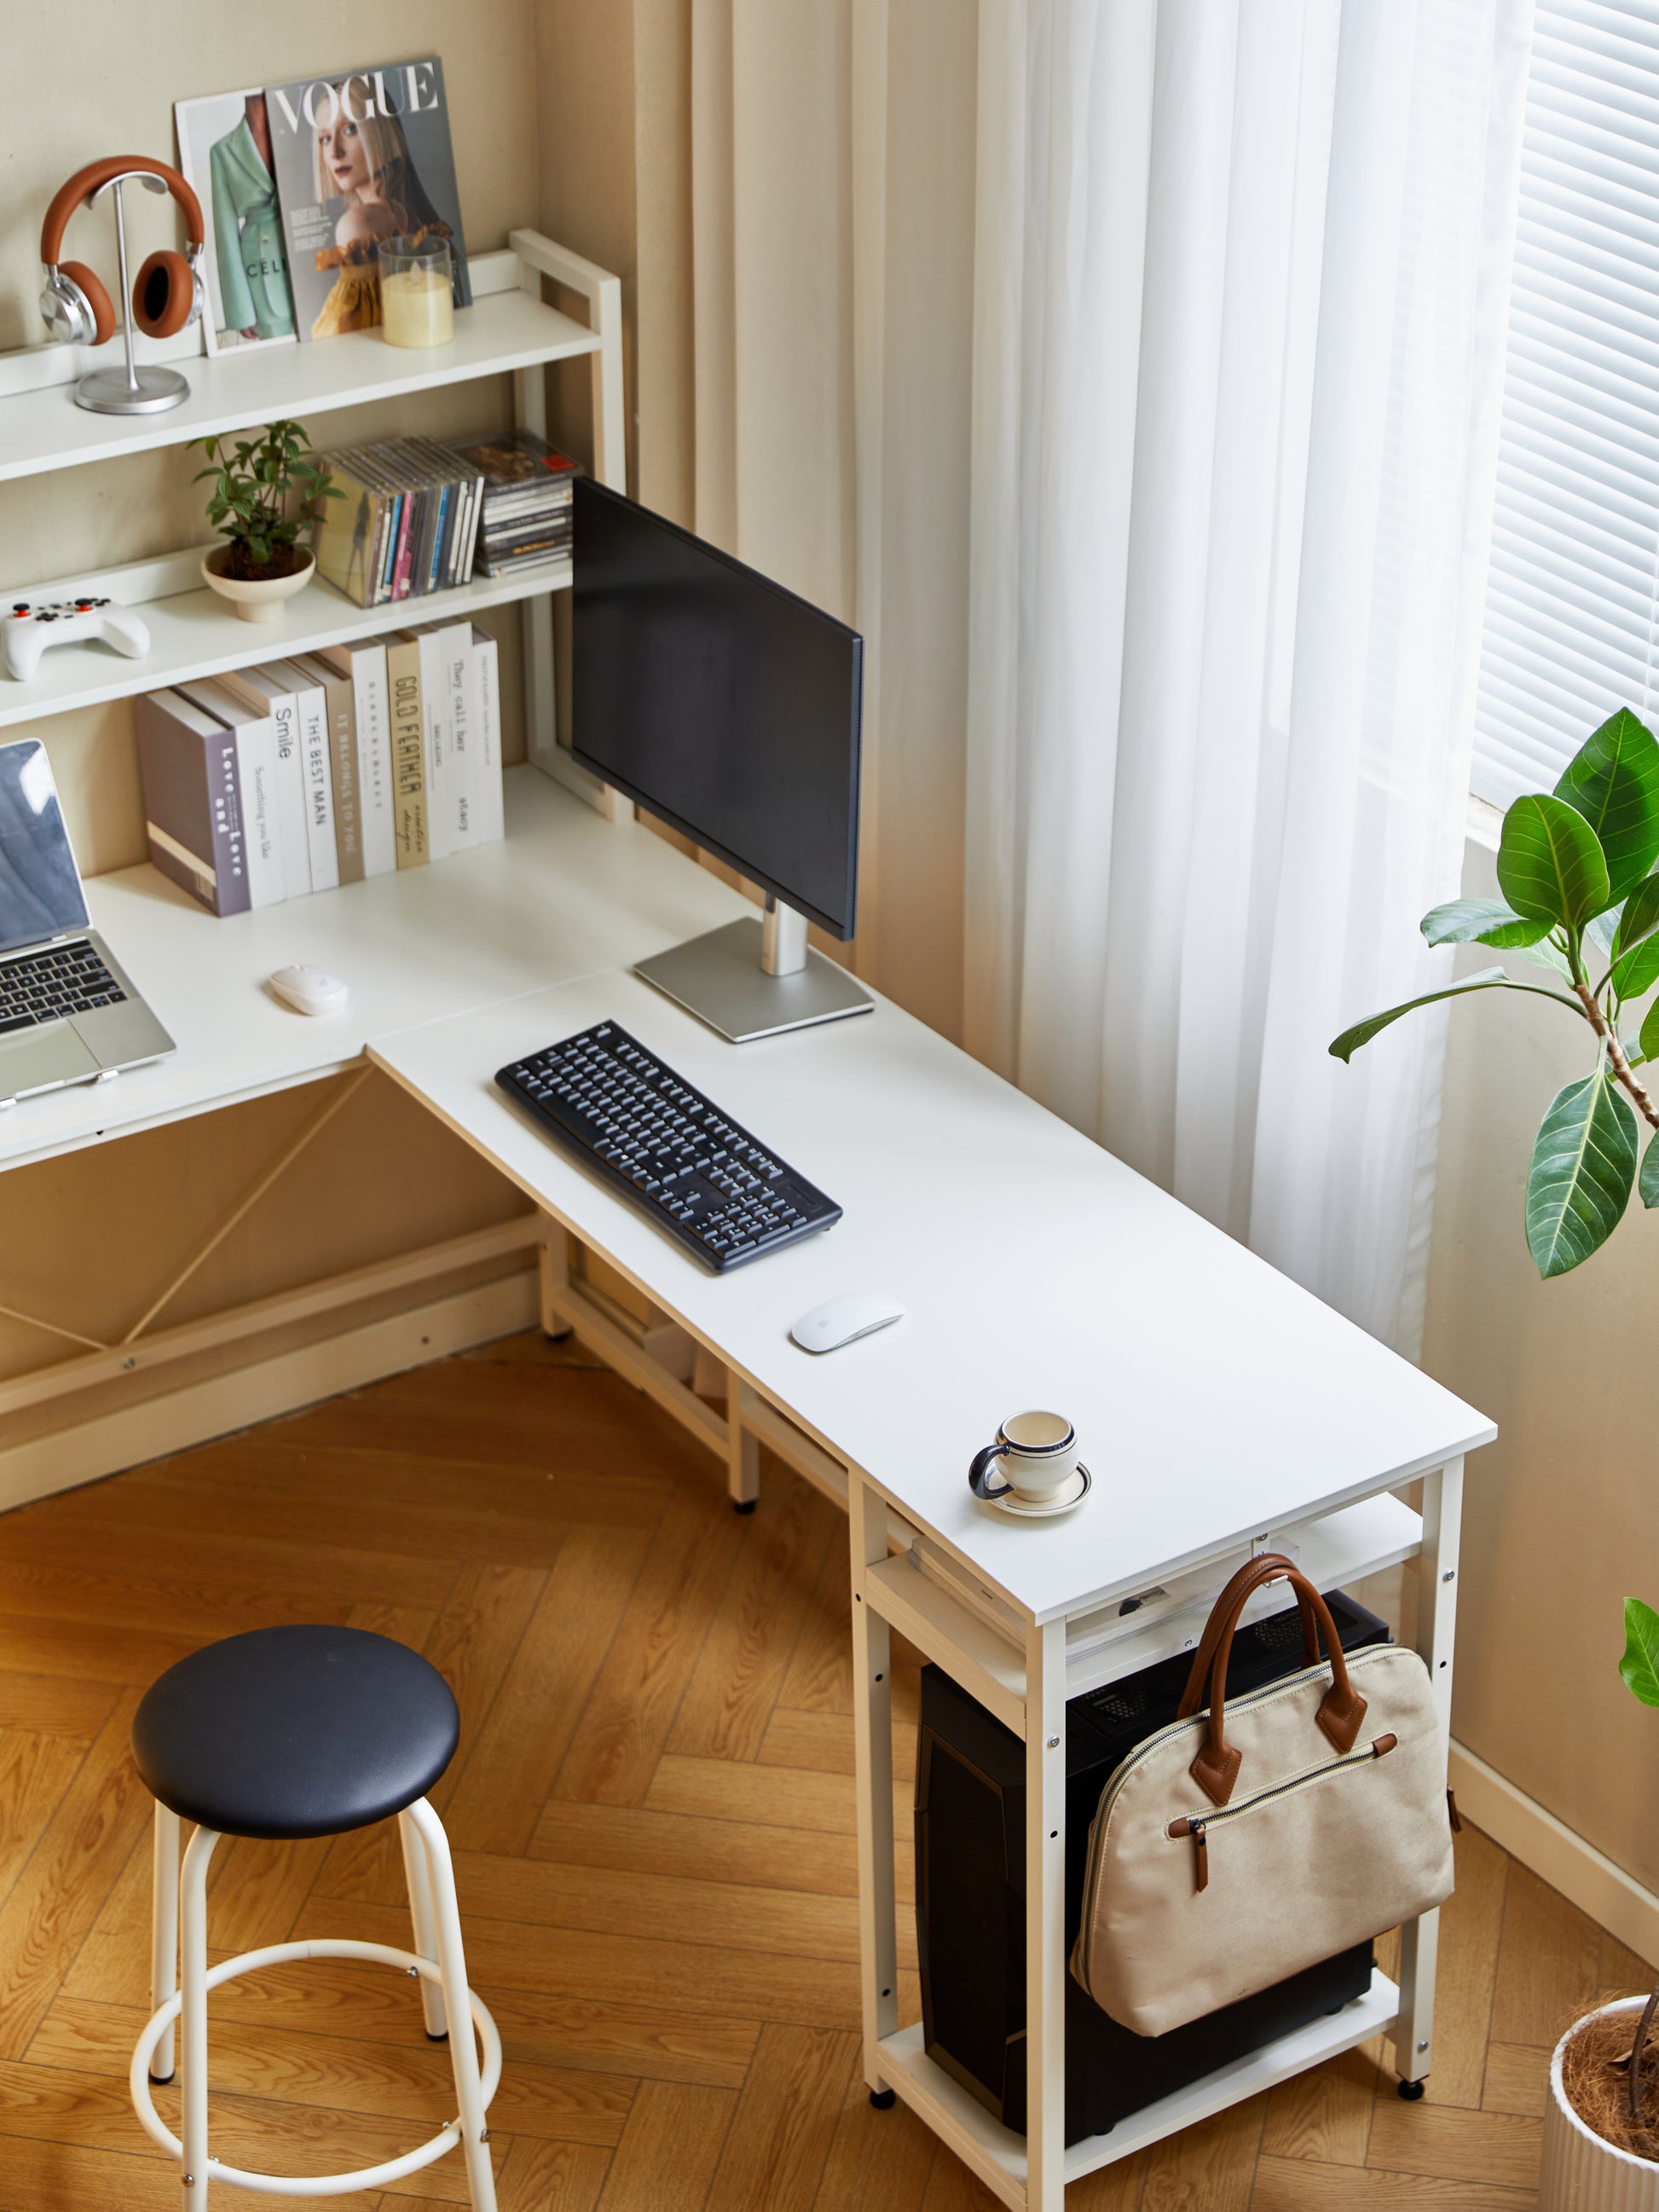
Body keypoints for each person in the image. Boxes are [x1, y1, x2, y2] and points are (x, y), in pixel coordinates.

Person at [308, 76, 458, 339]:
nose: (334, 152)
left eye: (350, 129)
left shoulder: (357, 225)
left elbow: (351, 340)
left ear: (379, 132)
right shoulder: (410, 216)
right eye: (325, 138)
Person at [207, 94, 294, 345]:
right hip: (262, 272)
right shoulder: (223, 151)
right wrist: (241, 311)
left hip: (307, 259)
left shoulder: (302, 127)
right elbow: (225, 233)